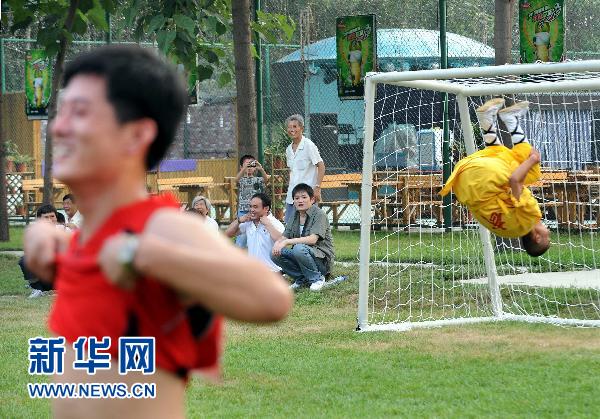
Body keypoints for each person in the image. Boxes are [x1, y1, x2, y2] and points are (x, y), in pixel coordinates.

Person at [24, 45, 292, 418]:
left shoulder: (159, 227)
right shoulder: (89, 236)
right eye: (61, 112)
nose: (59, 127)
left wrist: (138, 254)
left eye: (79, 112)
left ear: (136, 136)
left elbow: (272, 298)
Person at [440, 98, 551, 257]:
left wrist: (533, 159)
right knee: (503, 157)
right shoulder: (509, 232)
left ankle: (510, 119)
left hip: (485, 176)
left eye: (549, 238)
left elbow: (514, 180)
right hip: (465, 178)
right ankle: (488, 118)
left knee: (531, 171)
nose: (549, 233)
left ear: (537, 237)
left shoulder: (529, 217)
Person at [271, 183, 334, 291]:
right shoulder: (294, 215)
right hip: (302, 255)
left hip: (321, 261)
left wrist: (287, 242)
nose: (300, 201)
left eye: (304, 197)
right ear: (293, 201)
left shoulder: (319, 215)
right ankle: (301, 279)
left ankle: (317, 279)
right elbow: (285, 236)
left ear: (312, 199)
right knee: (274, 253)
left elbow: (313, 239)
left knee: (298, 248)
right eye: (297, 198)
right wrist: (277, 245)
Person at [225, 193, 284, 273]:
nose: (251, 210)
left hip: (273, 271)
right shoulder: (249, 222)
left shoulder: (274, 223)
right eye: (251, 206)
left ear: (266, 208)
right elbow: (228, 234)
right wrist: (238, 221)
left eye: (255, 207)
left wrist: (268, 224)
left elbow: (282, 241)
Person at [284, 114, 325, 224]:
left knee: (308, 227)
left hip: (307, 196)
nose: (292, 129)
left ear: (301, 128)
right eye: (289, 127)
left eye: (295, 126)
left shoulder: (308, 145)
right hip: (291, 196)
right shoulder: (288, 149)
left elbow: (321, 166)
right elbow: (291, 171)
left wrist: (317, 187)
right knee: (289, 227)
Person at [20, 204, 60, 298]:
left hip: (62, 274)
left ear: (56, 217)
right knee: (25, 260)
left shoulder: (64, 231)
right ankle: (37, 289)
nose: (50, 220)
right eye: (46, 217)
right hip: (44, 274)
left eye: (52, 216)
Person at [234, 154, 269, 247]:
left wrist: (261, 169)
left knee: (256, 232)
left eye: (251, 165)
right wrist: (243, 169)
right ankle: (238, 249)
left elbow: (266, 180)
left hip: (256, 211)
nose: (249, 167)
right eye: (246, 165)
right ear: (241, 167)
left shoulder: (258, 179)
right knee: (242, 234)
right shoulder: (241, 179)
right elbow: (236, 180)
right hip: (243, 210)